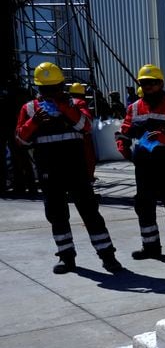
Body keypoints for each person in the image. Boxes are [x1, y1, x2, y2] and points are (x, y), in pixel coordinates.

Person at [15, 62, 122, 274]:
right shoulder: (29, 109)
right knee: (56, 215)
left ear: (62, 86)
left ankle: (108, 256)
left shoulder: (76, 103)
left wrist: (64, 107)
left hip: (75, 169)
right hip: (49, 171)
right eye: (46, 90)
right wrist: (34, 122)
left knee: (90, 213)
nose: (51, 94)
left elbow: (86, 126)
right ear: (38, 88)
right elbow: (20, 140)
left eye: (55, 88)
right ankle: (66, 257)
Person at [115, 64, 165, 260]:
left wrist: (164, 137)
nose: (147, 86)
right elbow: (124, 130)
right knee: (144, 205)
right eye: (144, 83)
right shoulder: (134, 108)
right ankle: (150, 246)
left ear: (160, 83)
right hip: (143, 165)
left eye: (151, 83)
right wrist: (123, 146)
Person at [68, 83, 96, 182]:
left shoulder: (65, 103)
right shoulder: (80, 102)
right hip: (83, 136)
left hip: (67, 138)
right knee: (88, 159)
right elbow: (88, 122)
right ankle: (89, 179)